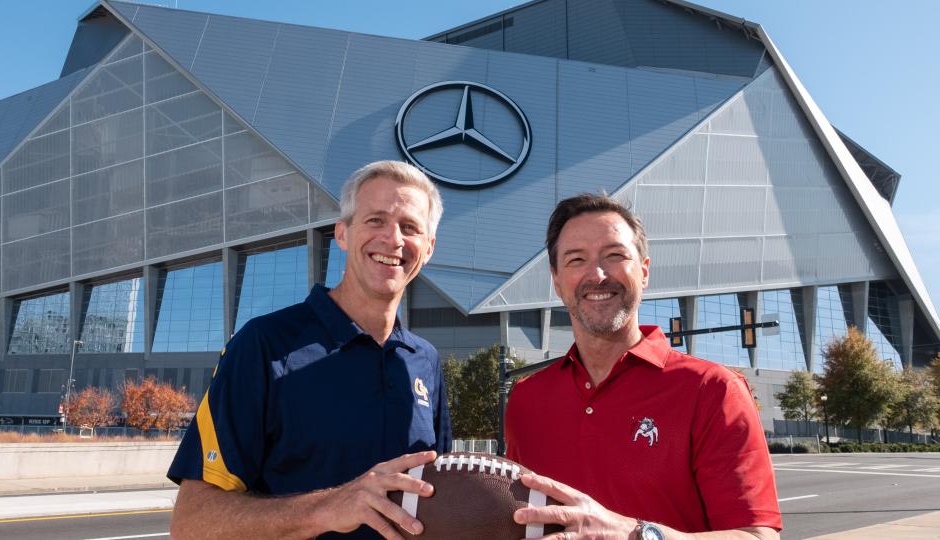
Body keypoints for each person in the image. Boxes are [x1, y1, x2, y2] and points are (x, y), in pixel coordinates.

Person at [168, 161, 452, 540]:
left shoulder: (425, 361)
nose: (393, 239)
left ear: (428, 248)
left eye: (410, 227)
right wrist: (330, 507)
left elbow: (442, 502)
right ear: (343, 234)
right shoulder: (263, 345)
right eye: (375, 221)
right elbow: (192, 523)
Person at [505, 194, 782, 540]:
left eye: (615, 255)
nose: (598, 274)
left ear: (645, 271)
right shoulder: (526, 399)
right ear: (557, 281)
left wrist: (635, 534)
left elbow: (757, 536)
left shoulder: (714, 389)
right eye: (576, 260)